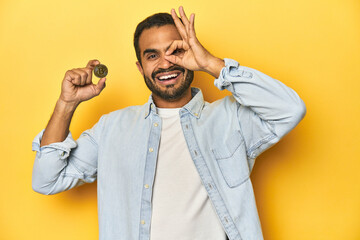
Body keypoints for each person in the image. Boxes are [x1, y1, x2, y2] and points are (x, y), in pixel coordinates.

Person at [32, 6, 306, 240]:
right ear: (141, 67)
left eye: (175, 51)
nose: (166, 64)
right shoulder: (112, 128)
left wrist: (211, 63)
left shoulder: (230, 119)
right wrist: (66, 104)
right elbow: (47, 180)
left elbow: (290, 109)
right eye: (152, 56)